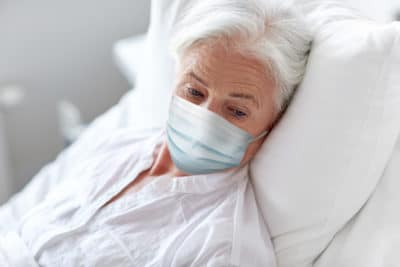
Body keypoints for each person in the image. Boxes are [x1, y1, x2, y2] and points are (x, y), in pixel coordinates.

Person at [0, 0, 311, 266]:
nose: (204, 119)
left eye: (237, 111)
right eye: (194, 91)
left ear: (273, 123)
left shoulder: (221, 248)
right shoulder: (119, 144)